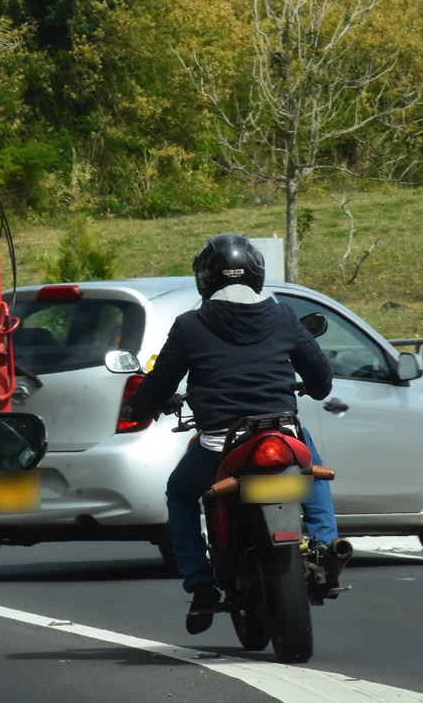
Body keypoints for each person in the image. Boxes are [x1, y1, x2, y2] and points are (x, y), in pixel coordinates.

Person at [122, 233, 346, 634]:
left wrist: (139, 407)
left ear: (204, 280)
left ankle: (200, 583)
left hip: (220, 443)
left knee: (180, 492)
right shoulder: (282, 316)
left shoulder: (190, 326)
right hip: (282, 431)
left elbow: (158, 384)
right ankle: (327, 546)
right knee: (312, 469)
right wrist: (308, 384)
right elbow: (323, 381)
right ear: (257, 274)